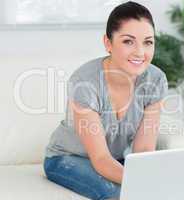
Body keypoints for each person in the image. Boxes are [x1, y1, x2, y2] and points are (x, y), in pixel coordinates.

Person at [43, 1, 168, 200]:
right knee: (120, 193)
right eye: (128, 41)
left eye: (148, 42)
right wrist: (142, 181)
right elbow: (100, 158)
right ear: (108, 43)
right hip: (67, 158)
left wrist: (150, 179)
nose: (140, 52)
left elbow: (144, 149)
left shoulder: (156, 79)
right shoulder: (85, 82)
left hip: (114, 159)